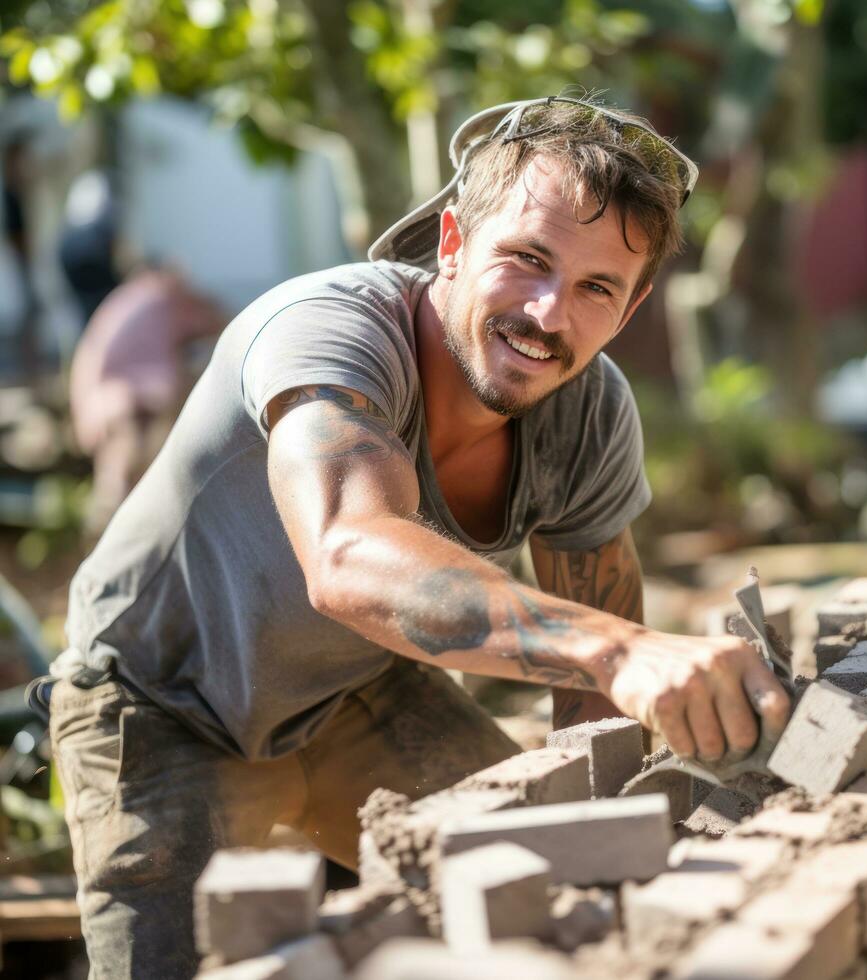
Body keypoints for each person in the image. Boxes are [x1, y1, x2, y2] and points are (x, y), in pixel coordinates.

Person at [42, 95, 791, 979]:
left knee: (554, 886)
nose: (550, 315)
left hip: (359, 690)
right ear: (451, 244)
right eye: (527, 260)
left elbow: (589, 712)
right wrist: (621, 650)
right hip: (163, 700)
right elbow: (350, 555)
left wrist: (630, 837)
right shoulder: (329, 334)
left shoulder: (589, 415)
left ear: (628, 311)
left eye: (597, 288)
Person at [68, 264, 227, 532]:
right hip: (127, 402)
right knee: (136, 475)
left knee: (117, 481)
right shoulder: (164, 299)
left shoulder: (129, 300)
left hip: (99, 404)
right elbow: (217, 323)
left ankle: (108, 537)